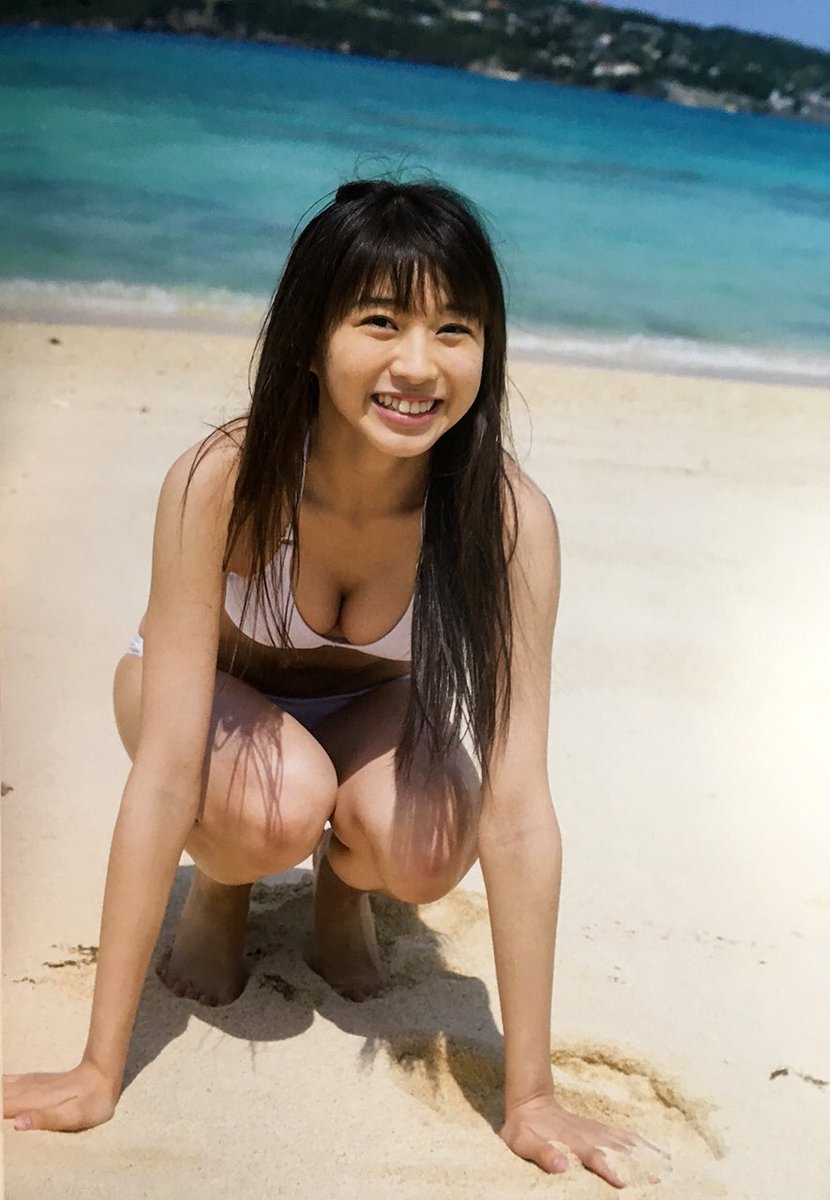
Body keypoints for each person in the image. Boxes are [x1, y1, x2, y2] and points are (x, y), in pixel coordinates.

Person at [4, 179, 646, 1187]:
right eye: (380, 322)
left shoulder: (507, 521)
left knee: (430, 846)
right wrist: (96, 1070)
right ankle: (224, 887)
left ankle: (344, 887)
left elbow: (519, 809)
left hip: (366, 716)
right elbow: (165, 773)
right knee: (274, 808)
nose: (418, 365)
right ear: (310, 337)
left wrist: (531, 1096)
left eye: (454, 329)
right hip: (205, 704)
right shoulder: (225, 479)